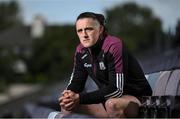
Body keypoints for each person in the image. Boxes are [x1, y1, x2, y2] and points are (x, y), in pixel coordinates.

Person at [59, 12, 152, 118]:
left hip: (139, 99)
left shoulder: (113, 45)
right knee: (68, 106)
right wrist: (68, 96)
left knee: (112, 105)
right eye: (80, 31)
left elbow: (116, 90)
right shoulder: (81, 51)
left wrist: (80, 98)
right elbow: (76, 82)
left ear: (100, 29)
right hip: (107, 100)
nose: (84, 35)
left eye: (89, 29)